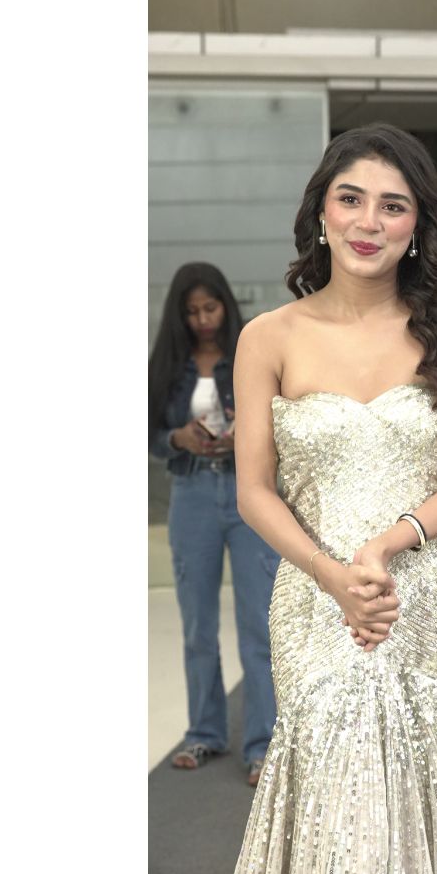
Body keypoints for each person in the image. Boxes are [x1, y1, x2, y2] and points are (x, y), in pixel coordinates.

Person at [231, 124, 437, 874]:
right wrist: (334, 577)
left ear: (417, 225)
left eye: (393, 206)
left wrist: (390, 542)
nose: (368, 222)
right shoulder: (267, 337)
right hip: (318, 601)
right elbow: (254, 491)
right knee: (338, 803)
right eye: (351, 199)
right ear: (322, 212)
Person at [148, 262, 281, 786]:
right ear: (179, 316)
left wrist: (248, 432)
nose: (203, 319)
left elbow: (282, 418)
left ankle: (263, 744)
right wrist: (177, 438)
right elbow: (150, 434)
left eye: (210, 308)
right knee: (198, 626)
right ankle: (205, 732)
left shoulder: (251, 352)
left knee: (259, 623)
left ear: (226, 305)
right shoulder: (167, 366)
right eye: (192, 311)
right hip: (193, 495)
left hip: (250, 492)